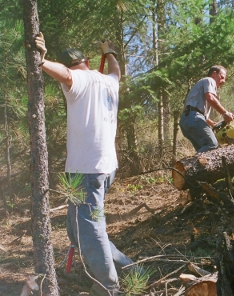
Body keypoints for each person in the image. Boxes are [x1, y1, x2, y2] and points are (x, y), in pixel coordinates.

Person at [35, 33, 135, 296]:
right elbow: (116, 71)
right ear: (88, 60)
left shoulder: (77, 79)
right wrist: (110, 51)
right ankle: (131, 270)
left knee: (90, 231)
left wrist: (43, 62)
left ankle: (107, 286)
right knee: (78, 230)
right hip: (101, 168)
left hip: (87, 170)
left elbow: (66, 76)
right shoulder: (108, 81)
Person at [179, 65, 234, 153]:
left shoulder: (200, 86)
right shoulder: (209, 80)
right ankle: (192, 164)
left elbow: (196, 110)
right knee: (213, 145)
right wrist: (225, 113)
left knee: (206, 152)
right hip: (194, 118)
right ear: (214, 74)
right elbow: (210, 98)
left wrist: (212, 123)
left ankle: (193, 166)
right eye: (222, 77)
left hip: (186, 120)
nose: (223, 81)